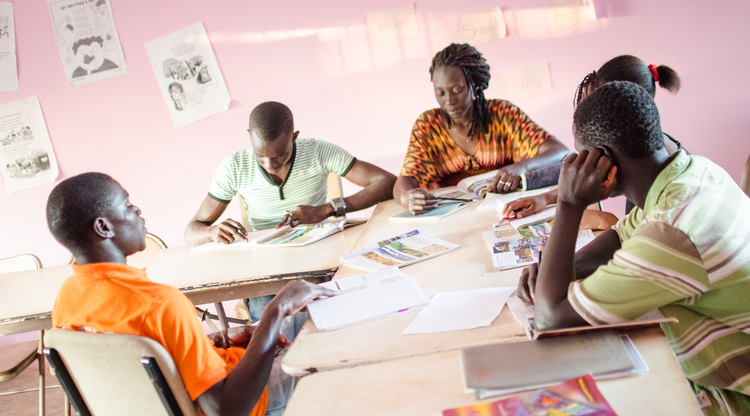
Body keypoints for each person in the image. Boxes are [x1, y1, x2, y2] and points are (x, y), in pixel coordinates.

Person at [518, 81, 750, 416]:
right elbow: (620, 237)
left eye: (581, 158)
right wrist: (559, 271)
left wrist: (568, 203)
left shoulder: (672, 233)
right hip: (721, 371)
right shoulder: (691, 173)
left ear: (603, 162)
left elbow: (550, 317)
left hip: (738, 407)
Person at [47, 173, 337, 416]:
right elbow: (229, 415)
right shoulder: (159, 303)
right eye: (127, 205)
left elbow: (136, 360)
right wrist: (276, 309)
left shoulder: (67, 298)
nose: (137, 210)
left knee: (302, 317)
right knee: (330, 344)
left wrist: (213, 342)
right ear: (103, 228)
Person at [502, 55, 683, 226]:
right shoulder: (646, 149)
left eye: (599, 108)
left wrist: (603, 219)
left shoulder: (660, 182)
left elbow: (643, 239)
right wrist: (547, 198)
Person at [185, 101, 396, 244]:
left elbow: (386, 182)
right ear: (249, 137)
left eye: (280, 155)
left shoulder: (319, 151)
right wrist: (211, 232)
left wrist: (326, 209)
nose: (270, 164)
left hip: (318, 246)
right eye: (260, 155)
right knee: (268, 307)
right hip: (266, 259)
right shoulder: (234, 167)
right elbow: (191, 231)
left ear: (293, 138)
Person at [393, 43, 569, 215]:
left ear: (474, 84)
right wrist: (407, 197)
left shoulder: (502, 114)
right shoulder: (428, 126)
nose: (449, 100)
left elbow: (559, 151)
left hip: (505, 211)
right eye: (441, 93)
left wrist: (520, 168)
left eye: (457, 90)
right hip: (452, 219)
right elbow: (405, 180)